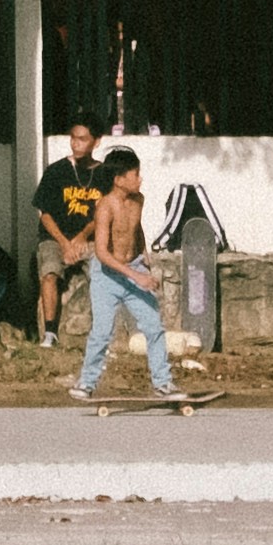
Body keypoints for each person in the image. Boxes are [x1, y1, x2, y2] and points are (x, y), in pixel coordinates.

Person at [67, 150, 188, 406]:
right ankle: (86, 383)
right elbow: (100, 252)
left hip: (134, 269)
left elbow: (135, 227)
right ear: (119, 180)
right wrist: (136, 276)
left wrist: (143, 253)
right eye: (135, 175)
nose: (140, 179)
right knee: (101, 332)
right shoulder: (105, 207)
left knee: (153, 326)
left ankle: (162, 383)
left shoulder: (139, 200)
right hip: (107, 275)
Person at [28, 116, 113, 341]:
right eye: (73, 138)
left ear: (96, 142)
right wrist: (65, 244)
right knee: (49, 272)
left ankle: (103, 332)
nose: (76, 144)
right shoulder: (57, 171)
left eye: (83, 139)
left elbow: (104, 213)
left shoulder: (104, 174)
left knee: (104, 272)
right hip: (55, 239)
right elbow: (45, 214)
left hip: (88, 241)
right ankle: (49, 333)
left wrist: (81, 238)